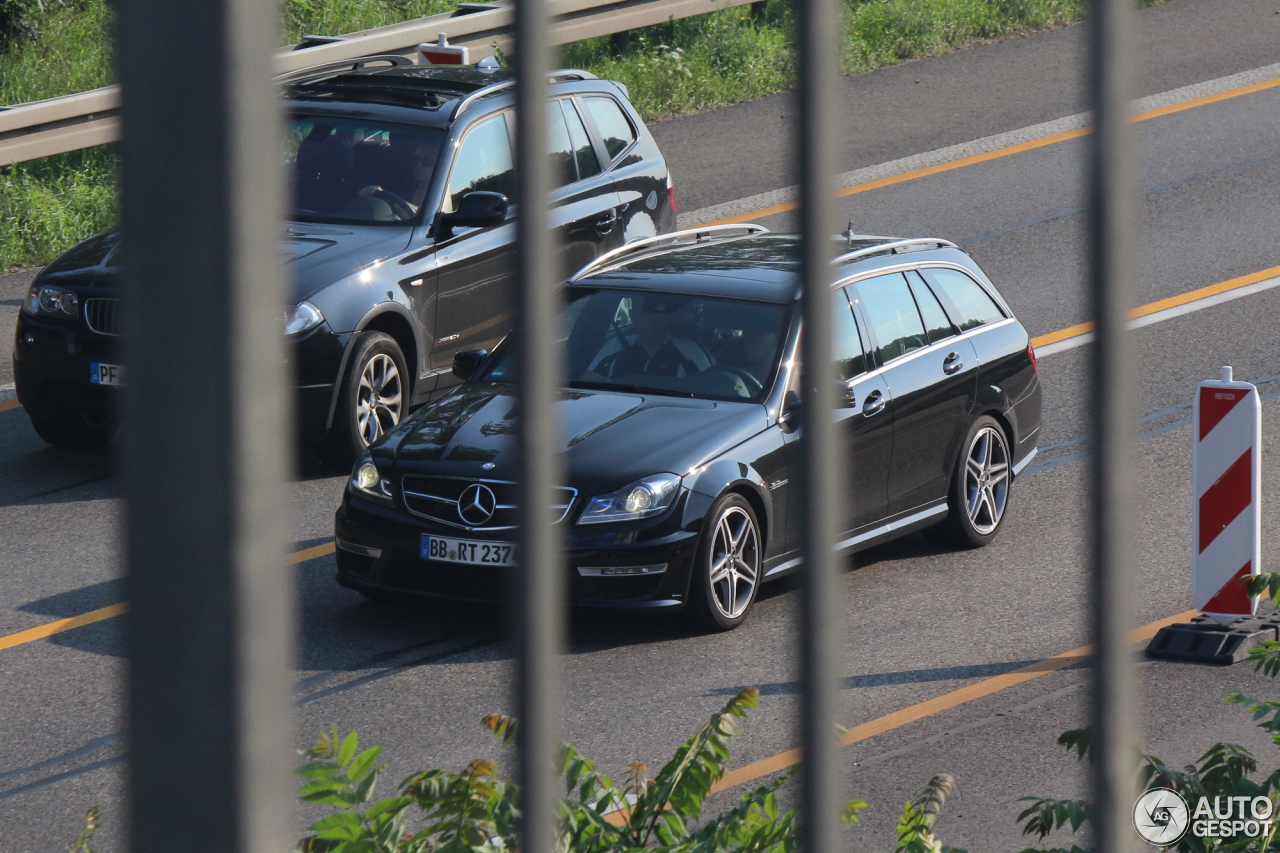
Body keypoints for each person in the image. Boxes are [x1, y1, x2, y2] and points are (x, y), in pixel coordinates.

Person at [586, 296, 711, 380]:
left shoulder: (691, 352)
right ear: (633, 316)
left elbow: (707, 390)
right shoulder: (614, 346)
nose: (652, 321)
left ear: (667, 317)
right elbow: (588, 383)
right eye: (645, 315)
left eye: (657, 315)